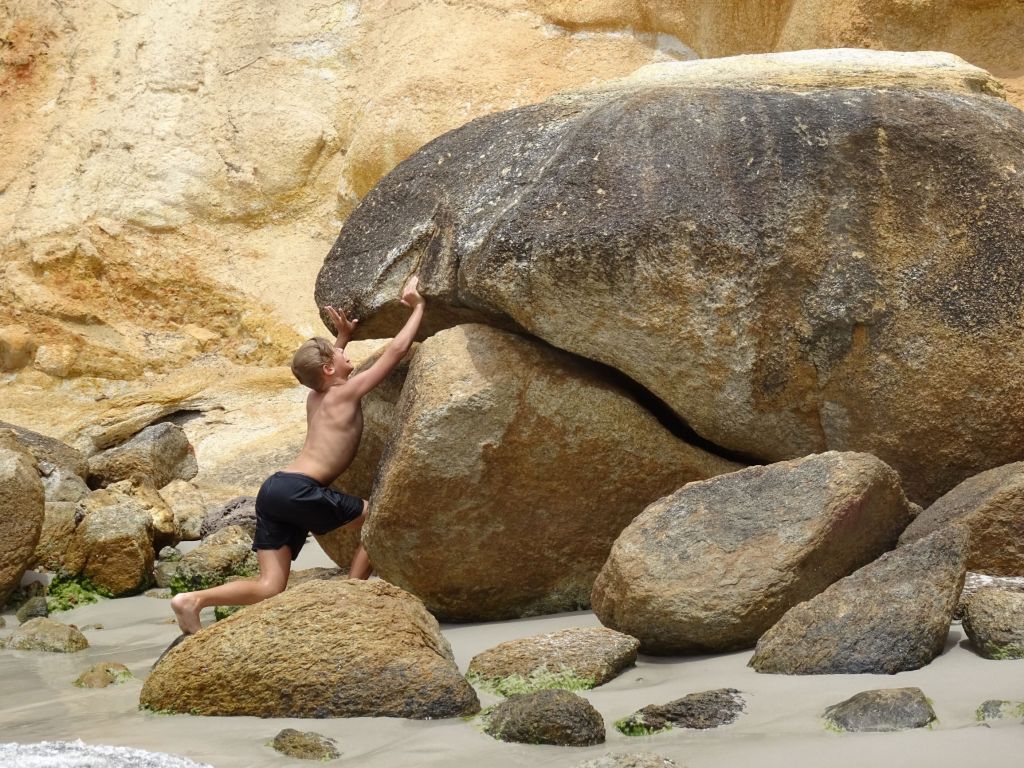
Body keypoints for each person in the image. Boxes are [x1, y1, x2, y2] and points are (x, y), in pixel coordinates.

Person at [170, 275, 426, 634]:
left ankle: (193, 600)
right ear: (329, 369)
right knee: (375, 519)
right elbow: (396, 351)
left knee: (269, 586)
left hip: (274, 490)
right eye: (339, 353)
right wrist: (418, 307)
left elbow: (322, 371)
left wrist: (343, 337)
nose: (344, 353)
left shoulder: (315, 397)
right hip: (299, 490)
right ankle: (353, 592)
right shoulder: (344, 393)